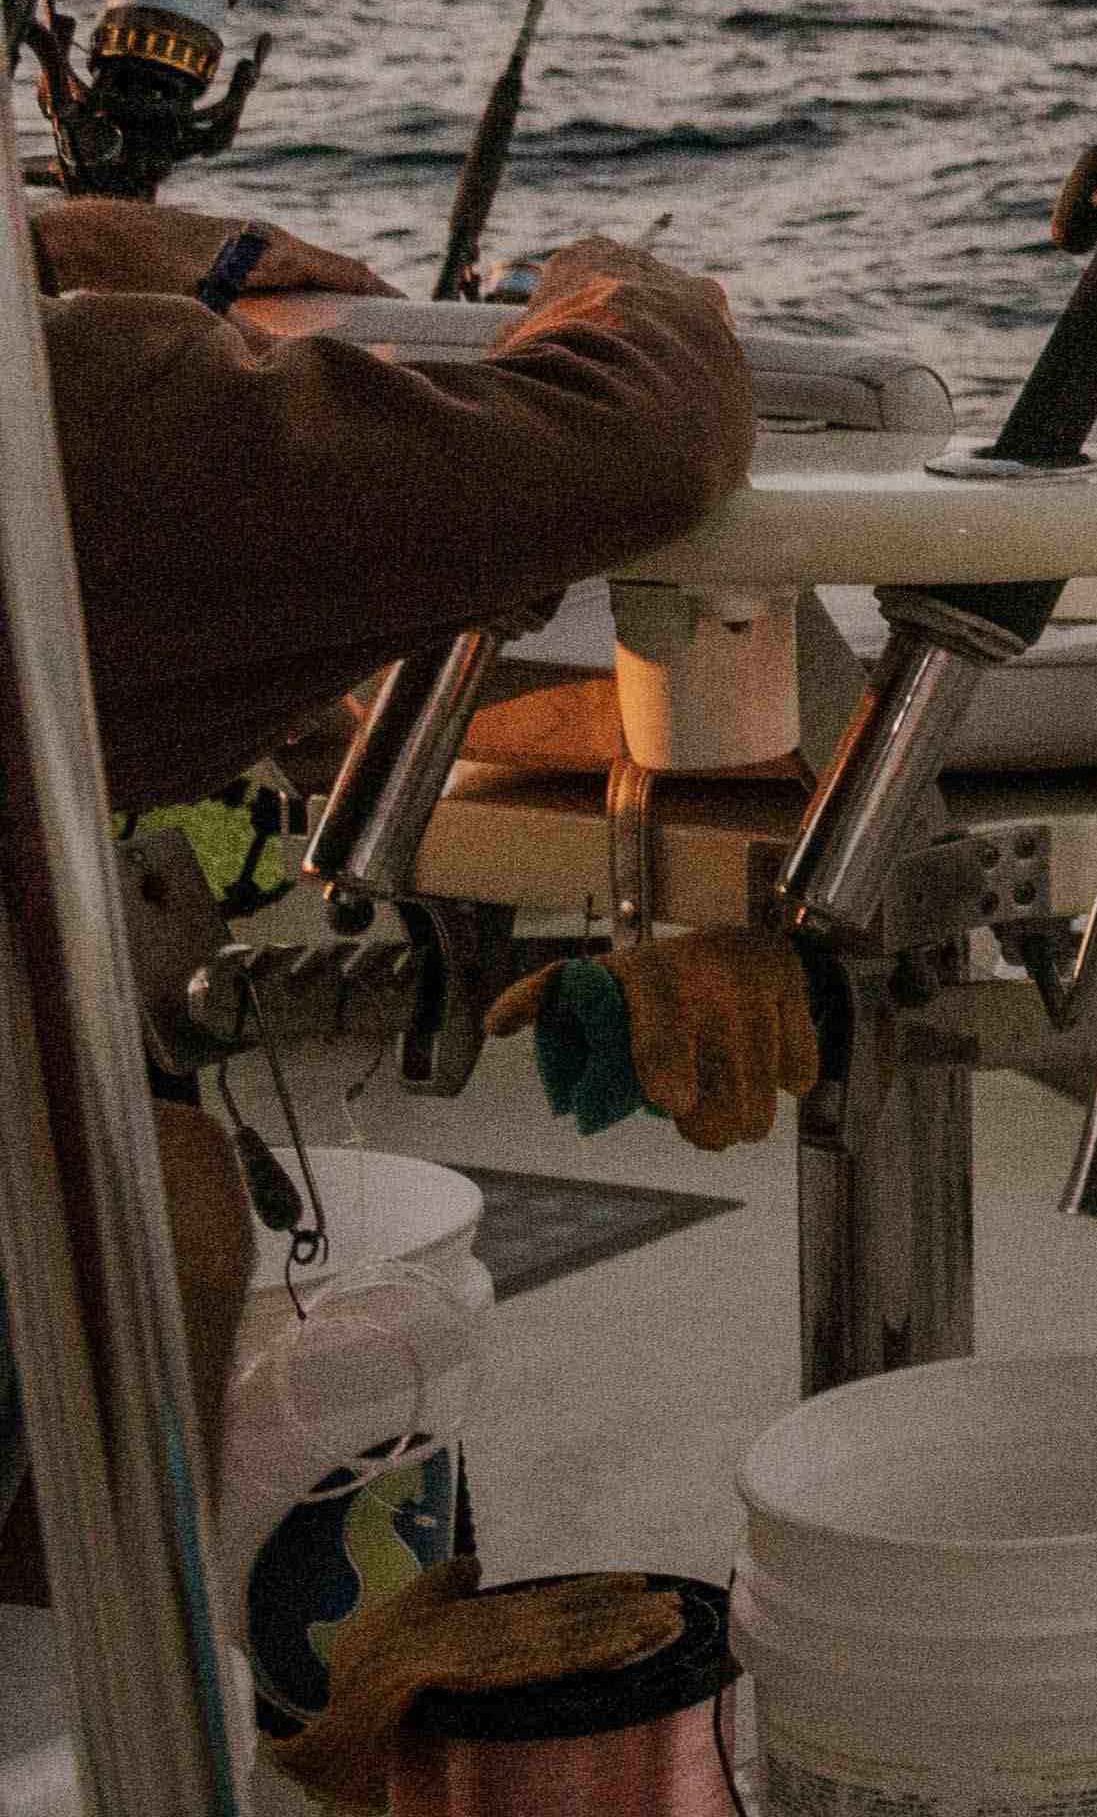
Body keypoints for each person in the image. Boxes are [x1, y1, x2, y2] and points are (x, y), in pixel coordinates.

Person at [2, 184, 751, 1596]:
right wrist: (616, 289)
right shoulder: (57, 425)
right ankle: (75, 1703)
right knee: (154, 1197)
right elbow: (633, 440)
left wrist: (89, 247)